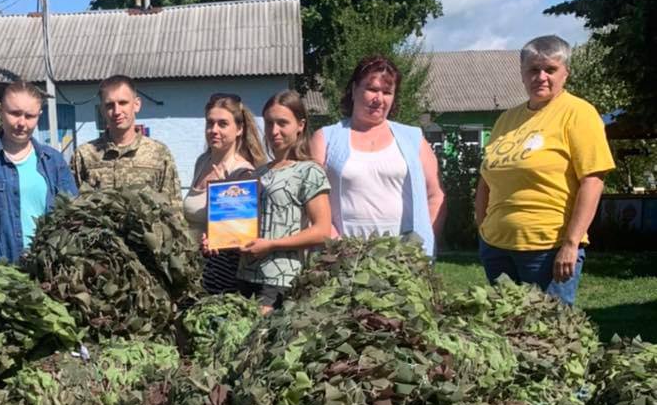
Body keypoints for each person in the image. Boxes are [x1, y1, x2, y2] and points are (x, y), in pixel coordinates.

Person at [475, 34, 614, 305]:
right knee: (506, 332)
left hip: (547, 249)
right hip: (497, 247)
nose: (541, 76)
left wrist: (571, 244)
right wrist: (483, 229)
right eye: (533, 70)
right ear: (522, 74)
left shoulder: (578, 113)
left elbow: (593, 181)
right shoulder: (507, 119)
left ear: (565, 74)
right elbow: (486, 179)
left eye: (550, 69)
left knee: (547, 338)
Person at [310, 55, 444, 256]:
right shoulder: (325, 138)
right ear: (354, 90)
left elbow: (435, 195)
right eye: (372, 89)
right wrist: (336, 244)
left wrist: (422, 244)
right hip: (342, 253)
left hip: (403, 255)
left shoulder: (413, 138)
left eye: (387, 92)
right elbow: (311, 198)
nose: (378, 99)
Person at [236, 91, 332, 312]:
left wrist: (271, 244)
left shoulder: (309, 171)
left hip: (280, 280)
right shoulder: (258, 173)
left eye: (282, 123)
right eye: (269, 123)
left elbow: (322, 230)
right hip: (245, 276)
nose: (274, 131)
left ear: (300, 125)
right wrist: (219, 240)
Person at [0, 80, 78, 262]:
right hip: (5, 270)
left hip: (51, 268)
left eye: (29, 116)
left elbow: (72, 215)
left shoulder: (53, 161)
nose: (21, 123)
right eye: (14, 113)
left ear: (39, 116)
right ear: (1, 111)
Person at [183, 93, 268, 293]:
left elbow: (241, 237)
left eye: (223, 124)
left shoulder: (243, 174)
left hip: (222, 278)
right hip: (194, 270)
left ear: (239, 129)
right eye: (210, 123)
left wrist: (222, 202)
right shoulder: (202, 162)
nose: (214, 130)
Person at [72, 75, 181, 203]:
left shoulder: (159, 154)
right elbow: (73, 206)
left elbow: (174, 209)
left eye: (123, 103)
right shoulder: (85, 155)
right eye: (109, 105)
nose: (117, 111)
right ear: (102, 110)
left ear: (136, 104)